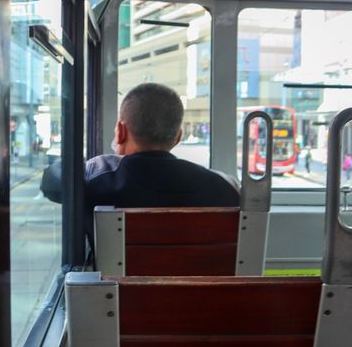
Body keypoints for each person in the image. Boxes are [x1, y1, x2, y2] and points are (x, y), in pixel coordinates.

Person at [41, 83, 240, 241]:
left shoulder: (97, 179)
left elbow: (51, 181)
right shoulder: (226, 188)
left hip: (117, 293)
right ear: (177, 137)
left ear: (121, 131)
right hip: (206, 293)